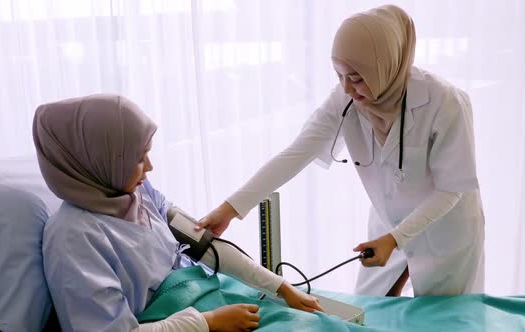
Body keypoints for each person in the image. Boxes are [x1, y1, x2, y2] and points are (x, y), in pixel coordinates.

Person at [197, 5, 485, 297]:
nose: (347, 88)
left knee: (443, 322)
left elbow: (451, 190)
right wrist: (229, 209)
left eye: (356, 77)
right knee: (369, 311)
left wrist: (396, 238)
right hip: (389, 225)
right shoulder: (346, 101)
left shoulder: (444, 102)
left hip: (444, 232)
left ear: (384, 65)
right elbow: (297, 153)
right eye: (339, 75)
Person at [32, 94, 323, 332]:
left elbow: (204, 244)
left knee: (315, 324)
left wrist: (281, 286)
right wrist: (206, 322)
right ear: (99, 160)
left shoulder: (140, 194)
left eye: (147, 153)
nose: (149, 167)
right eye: (138, 158)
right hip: (183, 320)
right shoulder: (73, 238)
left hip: (201, 300)